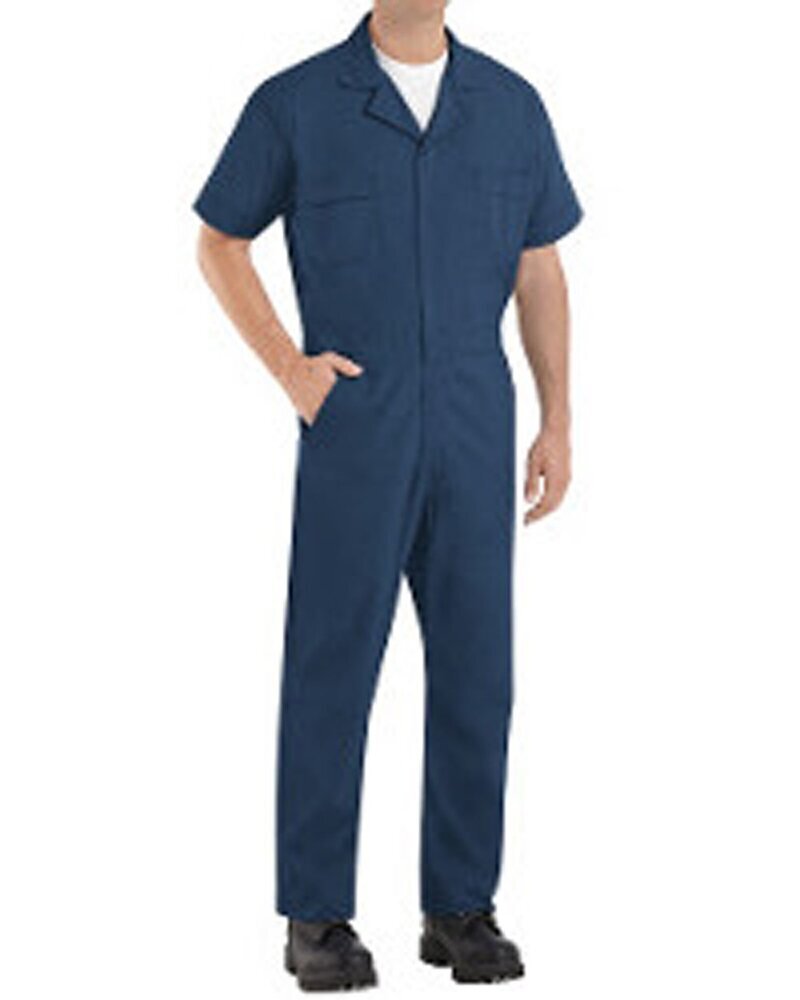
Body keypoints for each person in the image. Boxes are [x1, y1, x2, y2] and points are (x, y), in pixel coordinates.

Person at [192, 1, 582, 990]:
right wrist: (291, 370)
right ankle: (315, 916)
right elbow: (218, 240)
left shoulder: (510, 107)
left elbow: (539, 267)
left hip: (474, 419)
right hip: (357, 421)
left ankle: (460, 907)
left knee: (477, 672)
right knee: (331, 667)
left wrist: (557, 418)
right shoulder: (294, 104)